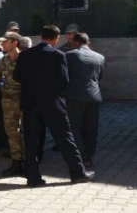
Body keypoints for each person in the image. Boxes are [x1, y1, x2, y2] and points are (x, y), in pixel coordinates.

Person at [13, 25, 94, 187]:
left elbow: (17, 76)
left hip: (30, 103)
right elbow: (64, 80)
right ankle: (77, 173)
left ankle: (33, 177)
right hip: (52, 103)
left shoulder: (25, 55)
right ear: (56, 39)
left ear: (41, 36)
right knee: (65, 138)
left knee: (31, 141)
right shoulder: (58, 55)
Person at [0, 32, 25, 176]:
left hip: (25, 100)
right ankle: (16, 163)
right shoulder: (1, 61)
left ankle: (29, 162)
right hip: (8, 101)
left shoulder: (26, 59)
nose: (2, 45)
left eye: (5, 42)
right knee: (11, 132)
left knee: (27, 132)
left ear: (15, 43)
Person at [64, 33, 104, 168]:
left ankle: (81, 156)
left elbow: (64, 76)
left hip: (74, 96)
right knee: (91, 128)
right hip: (94, 96)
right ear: (88, 42)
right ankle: (89, 157)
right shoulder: (100, 57)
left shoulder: (69, 55)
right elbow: (99, 77)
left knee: (74, 127)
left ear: (75, 43)